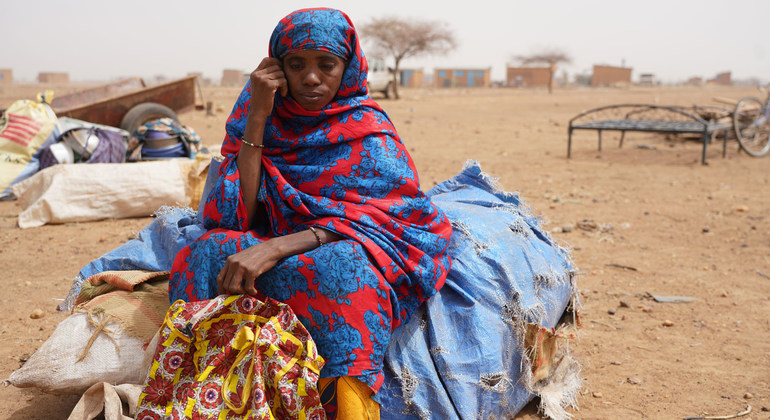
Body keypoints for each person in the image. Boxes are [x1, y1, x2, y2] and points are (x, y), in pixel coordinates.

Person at [169, 7, 452, 417]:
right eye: (296, 64)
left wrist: (277, 248)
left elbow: (391, 218)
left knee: (342, 267)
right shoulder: (262, 118)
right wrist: (258, 119)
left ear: (348, 67)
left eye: (327, 64)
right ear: (276, 68)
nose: (312, 77)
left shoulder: (368, 130)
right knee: (205, 251)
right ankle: (203, 392)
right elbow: (236, 215)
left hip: (326, 249)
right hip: (271, 244)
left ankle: (347, 406)